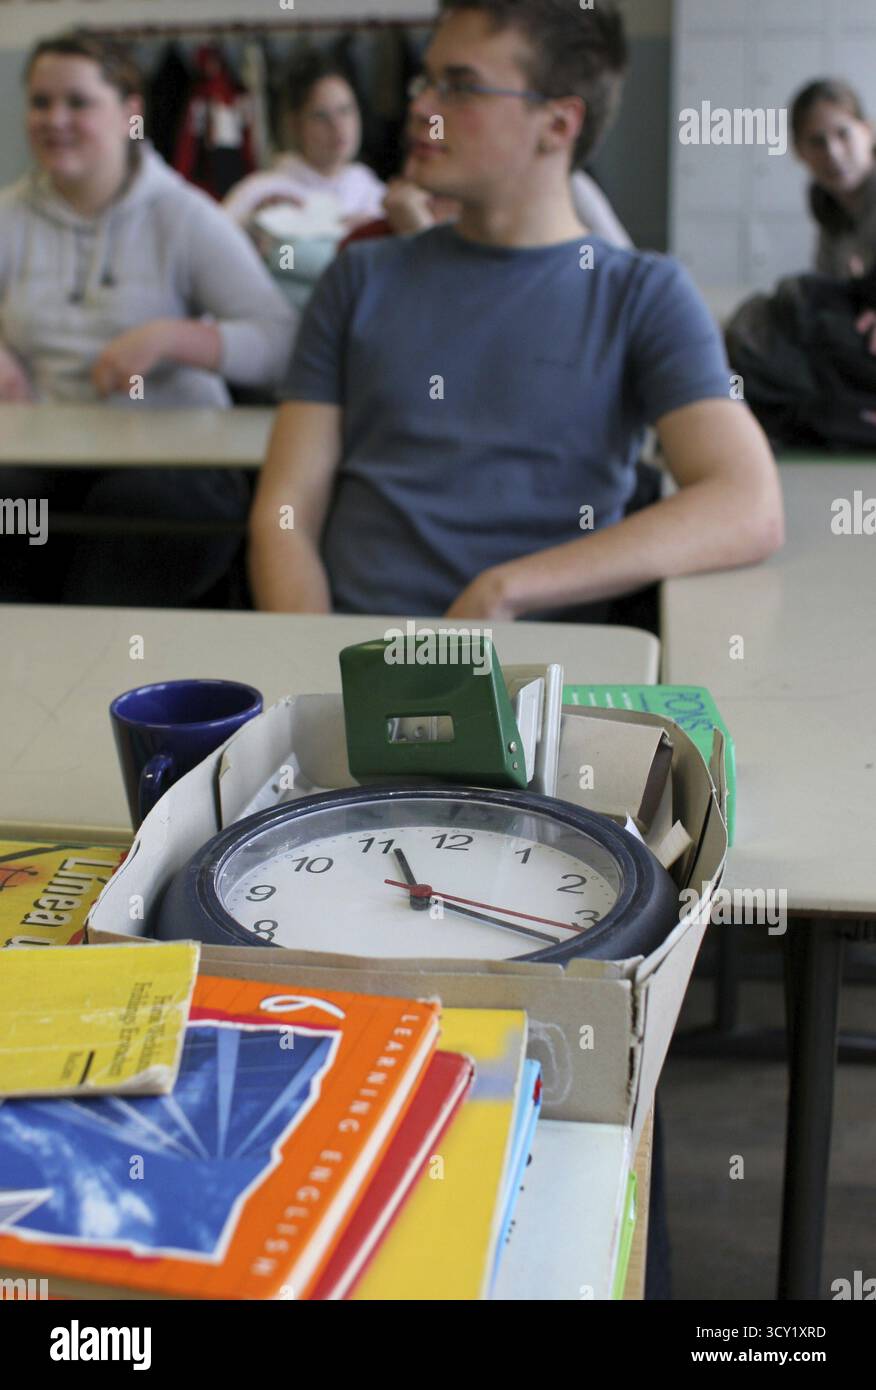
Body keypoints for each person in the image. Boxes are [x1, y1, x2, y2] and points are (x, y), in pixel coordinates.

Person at [249, 0, 783, 626]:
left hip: (539, 684)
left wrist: (508, 588)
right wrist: (317, 663)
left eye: (460, 87)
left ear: (558, 125)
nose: (422, 106)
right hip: (360, 657)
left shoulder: (642, 294)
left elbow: (748, 503)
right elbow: (284, 512)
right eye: (427, 80)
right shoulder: (359, 278)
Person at [0, 31, 295, 606]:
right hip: (47, 451)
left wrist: (174, 339)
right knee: (9, 513)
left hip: (174, 459)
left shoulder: (184, 216)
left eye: (78, 102)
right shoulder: (10, 216)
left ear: (130, 113)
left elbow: (281, 340)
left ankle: (96, 667)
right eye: (40, 102)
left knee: (133, 520)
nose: (54, 119)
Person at [791, 79, 876, 280]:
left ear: (869, 131)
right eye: (817, 142)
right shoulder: (827, 207)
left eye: (844, 134)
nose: (833, 153)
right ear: (799, 151)